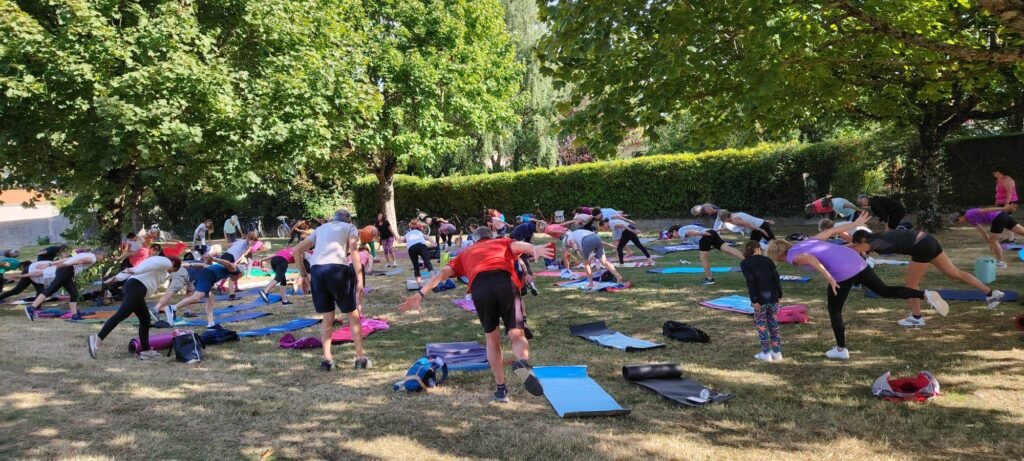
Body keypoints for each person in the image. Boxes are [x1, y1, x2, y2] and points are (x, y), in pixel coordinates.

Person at [399, 227, 552, 402]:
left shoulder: (465, 253)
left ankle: (501, 390)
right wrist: (534, 248)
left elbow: (442, 274)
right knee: (517, 334)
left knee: (492, 339)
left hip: (480, 287)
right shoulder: (502, 242)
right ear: (491, 236)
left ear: (474, 240)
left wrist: (420, 294)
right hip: (505, 283)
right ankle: (522, 362)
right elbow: (518, 245)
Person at [765, 215, 948, 360]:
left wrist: (829, 278)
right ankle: (924, 295)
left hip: (842, 272)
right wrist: (856, 223)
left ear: (777, 255)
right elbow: (832, 231)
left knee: (835, 310)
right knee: (884, 290)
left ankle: (841, 350)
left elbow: (811, 260)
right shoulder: (806, 242)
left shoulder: (792, 257)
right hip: (857, 261)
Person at [850, 229, 1005, 327]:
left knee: (911, 284)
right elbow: (856, 247)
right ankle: (991, 293)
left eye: (858, 244)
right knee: (955, 273)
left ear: (862, 240)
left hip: (922, 247)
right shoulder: (878, 236)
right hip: (928, 240)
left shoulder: (873, 241)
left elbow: (855, 250)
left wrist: (842, 246)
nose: (863, 250)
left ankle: (916, 317)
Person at [293, 209, 368, 371]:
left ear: (333, 219)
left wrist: (303, 274)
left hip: (317, 270)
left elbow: (296, 250)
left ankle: (327, 361)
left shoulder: (320, 229)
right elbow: (353, 250)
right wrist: (360, 280)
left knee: (327, 317)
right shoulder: (350, 228)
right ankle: (360, 358)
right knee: (353, 315)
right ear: (349, 221)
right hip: (337, 269)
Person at [87, 256, 181, 360]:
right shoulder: (166, 262)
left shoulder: (160, 266)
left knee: (145, 319)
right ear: (174, 264)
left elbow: (140, 267)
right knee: (122, 314)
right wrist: (135, 271)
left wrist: (117, 277)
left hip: (136, 288)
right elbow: (145, 267)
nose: (170, 271)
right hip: (137, 288)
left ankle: (146, 351)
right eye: (174, 270)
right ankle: (97, 340)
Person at [24, 249, 104, 321]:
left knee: (74, 293)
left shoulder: (85, 254)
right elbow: (78, 261)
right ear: (99, 254)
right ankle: (31, 308)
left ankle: (74, 315)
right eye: (103, 256)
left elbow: (67, 259)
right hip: (67, 270)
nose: (103, 258)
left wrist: (51, 264)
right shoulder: (93, 258)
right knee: (51, 289)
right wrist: (63, 265)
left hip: (67, 271)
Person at [165, 253, 241, 328]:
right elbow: (228, 263)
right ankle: (173, 308)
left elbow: (203, 265)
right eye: (237, 278)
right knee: (196, 297)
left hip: (207, 277)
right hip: (207, 276)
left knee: (210, 300)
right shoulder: (234, 268)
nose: (234, 280)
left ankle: (211, 323)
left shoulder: (221, 267)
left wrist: (190, 265)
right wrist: (213, 259)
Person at [740, 241, 783, 362]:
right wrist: (779, 294)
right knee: (774, 325)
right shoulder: (768, 261)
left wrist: (753, 299)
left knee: (762, 326)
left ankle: (766, 353)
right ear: (758, 248)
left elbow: (750, 282)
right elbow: (776, 278)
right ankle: (777, 352)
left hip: (759, 299)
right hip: (773, 297)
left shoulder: (745, 263)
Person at [667, 224, 744, 285]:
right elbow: (705, 230)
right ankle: (747, 259)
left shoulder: (680, 231)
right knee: (729, 249)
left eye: (671, 235)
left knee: (703, 258)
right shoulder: (686, 227)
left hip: (705, 236)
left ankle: (709, 279)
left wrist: (703, 234)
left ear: (674, 231)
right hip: (712, 233)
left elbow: (690, 232)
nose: (673, 237)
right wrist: (716, 231)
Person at [956, 204, 1024, 268]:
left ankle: (1001, 262)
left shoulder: (970, 213)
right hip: (1002, 216)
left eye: (958, 221)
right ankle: (1000, 261)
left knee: (993, 241)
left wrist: (1004, 208)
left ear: (960, 216)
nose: (960, 223)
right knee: (1022, 232)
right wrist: (989, 243)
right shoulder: (970, 220)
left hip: (997, 218)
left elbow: (987, 210)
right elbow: (983, 232)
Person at [561, 228, 626, 289]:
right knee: (604, 261)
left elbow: (573, 242)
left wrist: (577, 251)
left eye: (569, 247)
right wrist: (608, 244)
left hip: (587, 241)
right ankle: (618, 276)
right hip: (596, 237)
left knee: (586, 264)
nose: (570, 248)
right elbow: (595, 240)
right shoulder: (576, 233)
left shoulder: (569, 238)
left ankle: (591, 284)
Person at [403, 220, 434, 288]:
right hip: (421, 246)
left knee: (416, 266)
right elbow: (427, 237)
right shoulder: (419, 232)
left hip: (411, 248)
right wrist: (433, 242)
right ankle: (433, 282)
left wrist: (400, 239)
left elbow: (402, 239)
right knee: (428, 263)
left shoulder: (407, 234)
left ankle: (419, 285)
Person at [993, 167, 1018, 244]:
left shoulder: (1008, 180)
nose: (993, 173)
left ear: (1000, 172)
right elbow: (998, 192)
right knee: (1004, 219)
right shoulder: (999, 179)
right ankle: (1010, 238)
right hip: (1001, 202)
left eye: (995, 172)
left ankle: (1011, 239)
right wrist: (997, 202)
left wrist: (1006, 204)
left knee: (1007, 219)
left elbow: (1009, 192)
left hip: (1010, 202)